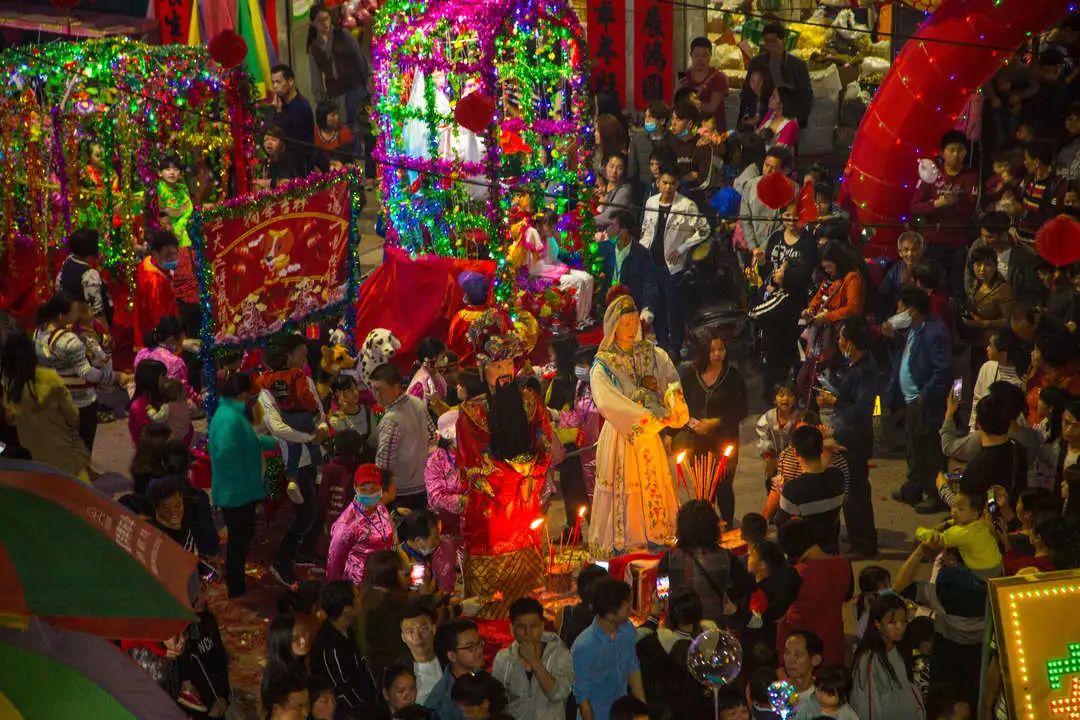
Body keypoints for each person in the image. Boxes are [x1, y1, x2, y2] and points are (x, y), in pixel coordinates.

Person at [456, 311, 554, 612]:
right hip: (493, 506)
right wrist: (518, 478)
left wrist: (533, 474)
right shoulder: (471, 414)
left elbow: (544, 441)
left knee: (529, 585)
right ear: (483, 369)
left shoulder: (529, 401)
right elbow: (476, 463)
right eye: (497, 366)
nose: (505, 371)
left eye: (509, 364)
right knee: (493, 597)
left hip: (526, 498)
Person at [588, 292, 688, 551]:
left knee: (652, 481)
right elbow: (606, 400)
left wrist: (670, 399)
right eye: (626, 324)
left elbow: (670, 378)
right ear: (614, 326)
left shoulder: (651, 353)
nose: (632, 329)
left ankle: (656, 534)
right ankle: (626, 542)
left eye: (635, 323)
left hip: (650, 432)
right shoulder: (604, 363)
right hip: (623, 433)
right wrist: (642, 418)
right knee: (625, 484)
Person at [259, 341, 328, 586]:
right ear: (288, 357)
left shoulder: (305, 380)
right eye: (302, 354)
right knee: (305, 514)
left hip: (315, 454)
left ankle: (304, 552)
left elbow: (319, 411)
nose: (306, 358)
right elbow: (277, 427)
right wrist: (309, 437)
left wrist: (321, 428)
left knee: (317, 509)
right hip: (294, 461)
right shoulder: (267, 390)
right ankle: (281, 560)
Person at [208, 371, 278, 597]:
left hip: (239, 490)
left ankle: (236, 581)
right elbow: (227, 453)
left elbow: (249, 442)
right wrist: (246, 472)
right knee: (238, 542)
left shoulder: (231, 414)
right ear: (242, 394)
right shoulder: (230, 419)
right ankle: (236, 587)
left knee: (241, 538)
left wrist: (274, 442)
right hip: (236, 493)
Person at [817, 317, 879, 556]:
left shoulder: (865, 371)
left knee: (856, 492)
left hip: (855, 439)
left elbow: (860, 410)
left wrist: (834, 401)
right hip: (847, 436)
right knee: (851, 489)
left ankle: (864, 543)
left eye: (842, 337)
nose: (839, 341)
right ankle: (856, 534)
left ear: (851, 343)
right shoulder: (855, 366)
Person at [639, 165, 711, 356]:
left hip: (673, 266)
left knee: (674, 308)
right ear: (658, 183)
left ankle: (676, 346)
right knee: (656, 305)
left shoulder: (687, 205)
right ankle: (662, 343)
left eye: (672, 183)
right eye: (665, 183)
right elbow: (646, 229)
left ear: (677, 184)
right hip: (652, 261)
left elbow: (704, 229)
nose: (668, 187)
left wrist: (682, 248)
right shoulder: (651, 202)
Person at [893, 287, 952, 513]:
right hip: (911, 400)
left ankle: (936, 495)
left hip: (927, 401)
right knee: (914, 446)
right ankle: (914, 488)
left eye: (900, 309)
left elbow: (943, 370)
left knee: (930, 449)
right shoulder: (914, 328)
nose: (897, 313)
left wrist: (925, 395)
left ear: (913, 310)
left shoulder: (935, 332)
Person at [679, 332, 748, 524]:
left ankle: (728, 524)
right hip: (697, 441)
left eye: (721, 349)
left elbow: (741, 409)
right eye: (712, 350)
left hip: (725, 439)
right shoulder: (690, 375)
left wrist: (715, 422)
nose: (717, 354)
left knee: (724, 485)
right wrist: (690, 424)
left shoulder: (733, 376)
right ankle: (707, 525)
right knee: (704, 487)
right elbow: (680, 404)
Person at [1, 331, 89, 480]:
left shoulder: (9, 386)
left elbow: (11, 418)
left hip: (32, 453)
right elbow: (73, 415)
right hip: (62, 448)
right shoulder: (50, 377)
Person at [33, 291, 114, 454]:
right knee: (82, 447)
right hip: (79, 403)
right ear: (62, 315)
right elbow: (88, 374)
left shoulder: (39, 332)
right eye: (75, 312)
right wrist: (110, 375)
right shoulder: (69, 341)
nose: (78, 316)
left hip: (52, 399)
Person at [657, 500, 752, 626]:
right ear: (713, 526)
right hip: (715, 627)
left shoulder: (669, 559)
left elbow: (662, 595)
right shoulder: (726, 558)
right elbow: (745, 587)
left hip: (680, 628)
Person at [910, 131, 979, 297]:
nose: (956, 155)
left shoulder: (971, 176)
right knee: (929, 287)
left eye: (960, 150)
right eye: (952, 150)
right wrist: (937, 203)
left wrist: (956, 202)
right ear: (942, 152)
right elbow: (915, 207)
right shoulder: (932, 174)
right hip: (933, 241)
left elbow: (972, 207)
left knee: (957, 290)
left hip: (958, 243)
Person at [776, 520, 853, 667]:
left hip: (799, 650)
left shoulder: (796, 573)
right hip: (833, 642)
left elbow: (779, 616)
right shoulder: (844, 564)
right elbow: (847, 596)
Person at [571, 578, 646, 720]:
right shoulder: (584, 646)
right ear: (610, 615)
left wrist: (643, 712)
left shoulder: (627, 630)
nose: (631, 610)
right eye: (626, 607)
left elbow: (633, 669)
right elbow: (583, 699)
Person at [635, 587, 715, 719]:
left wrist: (653, 616)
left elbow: (631, 641)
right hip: (705, 712)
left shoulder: (655, 644)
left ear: (671, 613)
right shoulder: (713, 639)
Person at [491, 597, 573, 720]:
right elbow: (497, 702)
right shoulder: (503, 659)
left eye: (533, 626)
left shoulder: (560, 654)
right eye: (521, 626)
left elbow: (558, 694)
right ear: (512, 629)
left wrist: (534, 661)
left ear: (542, 626)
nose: (527, 633)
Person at [307, 4, 370, 154]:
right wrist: (321, 99)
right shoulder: (314, 47)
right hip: (336, 92)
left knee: (360, 125)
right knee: (343, 127)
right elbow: (315, 76)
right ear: (313, 23)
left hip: (354, 86)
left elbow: (359, 57)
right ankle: (349, 160)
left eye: (327, 19)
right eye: (320, 20)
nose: (325, 23)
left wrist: (368, 80)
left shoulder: (343, 34)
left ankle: (363, 159)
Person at [851, 594, 926, 720]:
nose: (899, 627)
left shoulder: (900, 650)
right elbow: (867, 707)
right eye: (892, 622)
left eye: (903, 621)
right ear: (878, 624)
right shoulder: (868, 661)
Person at [371, 362, 434, 511]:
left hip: (400, 491)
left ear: (396, 387)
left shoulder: (391, 419)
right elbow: (433, 435)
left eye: (381, 390)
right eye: (373, 389)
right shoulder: (417, 402)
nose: (376, 395)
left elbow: (383, 464)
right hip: (423, 483)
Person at [773, 426, 846, 553]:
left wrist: (782, 493)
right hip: (831, 548)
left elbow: (780, 522)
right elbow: (823, 472)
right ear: (821, 449)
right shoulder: (838, 476)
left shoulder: (793, 489)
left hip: (806, 552)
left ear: (795, 453)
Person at [310, 580, 377, 717]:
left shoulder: (346, 629)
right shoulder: (330, 646)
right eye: (357, 596)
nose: (361, 599)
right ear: (346, 608)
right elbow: (341, 689)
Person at [326, 463, 396, 585]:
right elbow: (334, 565)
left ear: (381, 487)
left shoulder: (380, 508)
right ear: (355, 487)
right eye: (363, 489)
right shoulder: (346, 525)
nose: (369, 493)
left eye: (373, 489)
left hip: (383, 578)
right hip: (360, 585)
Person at [737, 540, 803, 667]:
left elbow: (754, 622)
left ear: (762, 565)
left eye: (752, 555)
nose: (747, 558)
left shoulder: (761, 592)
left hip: (760, 649)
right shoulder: (785, 583)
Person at [916, 486, 1003, 579]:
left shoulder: (962, 533)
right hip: (998, 568)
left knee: (944, 575)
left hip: (981, 574)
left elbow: (938, 539)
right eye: (953, 506)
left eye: (960, 509)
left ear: (974, 514)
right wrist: (949, 522)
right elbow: (953, 522)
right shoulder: (980, 521)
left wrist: (920, 531)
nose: (954, 511)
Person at [747, 23, 812, 128]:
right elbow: (748, 93)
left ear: (783, 41)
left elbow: (805, 96)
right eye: (767, 41)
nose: (771, 45)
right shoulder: (757, 63)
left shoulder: (798, 66)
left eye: (774, 41)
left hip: (788, 119)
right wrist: (749, 117)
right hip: (763, 117)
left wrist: (800, 121)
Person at [965, 211, 1039, 304]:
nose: (984, 240)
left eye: (989, 237)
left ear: (1003, 234)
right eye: (982, 235)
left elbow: (1031, 289)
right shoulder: (978, 245)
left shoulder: (1025, 256)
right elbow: (969, 275)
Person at [597, 210, 660, 320]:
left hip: (630, 308)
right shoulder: (603, 248)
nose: (607, 230)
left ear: (624, 231)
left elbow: (649, 284)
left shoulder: (642, 254)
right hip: (606, 308)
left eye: (612, 226)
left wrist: (647, 308)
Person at [735, 147, 795, 254]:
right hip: (750, 247)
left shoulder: (792, 190)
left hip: (777, 248)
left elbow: (785, 223)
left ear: (784, 170)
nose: (768, 170)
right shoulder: (750, 186)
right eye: (766, 165)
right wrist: (753, 247)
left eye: (773, 168)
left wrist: (764, 248)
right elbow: (744, 217)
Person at [424, 619, 486, 720]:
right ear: (452, 656)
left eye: (479, 643)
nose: (480, 650)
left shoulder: (480, 675)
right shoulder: (444, 700)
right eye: (470, 647)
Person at [134, 229, 182, 351]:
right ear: (156, 254)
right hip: (158, 341)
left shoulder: (147, 262)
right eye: (168, 254)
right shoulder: (155, 281)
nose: (174, 258)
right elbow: (158, 317)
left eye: (175, 253)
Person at [57, 228, 112, 326]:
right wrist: (105, 331)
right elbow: (97, 313)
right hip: (85, 327)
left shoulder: (68, 261)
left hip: (70, 321)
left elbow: (58, 285)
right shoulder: (90, 275)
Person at [270, 64, 315, 173]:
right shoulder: (279, 103)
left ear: (290, 82)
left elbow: (290, 136)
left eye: (278, 82)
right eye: (273, 82)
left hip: (300, 164)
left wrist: (279, 113)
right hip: (282, 161)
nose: (275, 86)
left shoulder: (302, 106)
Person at [678, 37, 729, 132]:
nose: (701, 60)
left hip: (713, 133)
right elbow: (675, 105)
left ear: (711, 55)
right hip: (688, 132)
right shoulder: (684, 77)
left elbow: (712, 108)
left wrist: (688, 104)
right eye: (697, 55)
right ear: (691, 55)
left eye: (705, 55)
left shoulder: (719, 78)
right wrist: (677, 90)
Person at [628, 102, 671, 203]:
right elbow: (632, 169)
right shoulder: (638, 139)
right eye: (645, 116)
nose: (646, 120)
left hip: (666, 189)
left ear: (662, 120)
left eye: (650, 117)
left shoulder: (671, 140)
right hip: (642, 189)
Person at [400, 604, 442, 705]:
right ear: (403, 637)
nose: (418, 637)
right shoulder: (398, 672)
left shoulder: (451, 659)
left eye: (423, 629)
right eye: (410, 632)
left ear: (433, 629)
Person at [755, 384, 797, 482]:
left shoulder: (798, 418)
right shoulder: (768, 417)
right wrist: (769, 456)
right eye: (781, 395)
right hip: (773, 462)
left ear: (795, 400)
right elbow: (763, 438)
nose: (785, 398)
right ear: (774, 399)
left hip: (793, 464)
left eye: (790, 395)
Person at [878, 231, 926, 318]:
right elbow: (883, 297)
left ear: (921, 250)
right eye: (906, 250)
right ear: (900, 252)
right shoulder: (893, 272)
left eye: (914, 250)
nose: (910, 254)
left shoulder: (928, 269)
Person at [127, 359, 168, 449]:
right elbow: (145, 437)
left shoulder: (160, 397)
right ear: (152, 379)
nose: (167, 380)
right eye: (163, 376)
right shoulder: (139, 407)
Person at [780, 630, 824, 714]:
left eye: (797, 655)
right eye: (787, 653)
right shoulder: (778, 692)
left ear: (815, 660)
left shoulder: (824, 698)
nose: (789, 660)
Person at [794, 665, 858, 720]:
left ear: (843, 696)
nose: (822, 695)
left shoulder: (847, 714)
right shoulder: (808, 706)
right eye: (819, 689)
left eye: (829, 694)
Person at [407, 337, 449, 413]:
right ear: (432, 360)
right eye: (442, 357)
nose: (445, 360)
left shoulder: (436, 375)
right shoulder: (420, 384)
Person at [595, 152, 635, 230]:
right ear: (606, 166)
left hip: (614, 233)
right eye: (611, 166)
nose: (614, 171)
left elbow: (609, 216)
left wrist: (585, 223)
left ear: (625, 171)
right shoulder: (604, 184)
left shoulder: (625, 190)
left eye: (619, 168)